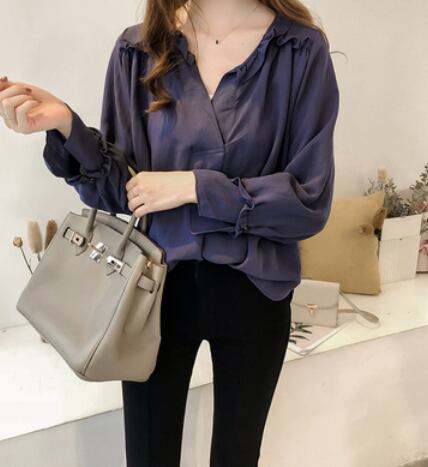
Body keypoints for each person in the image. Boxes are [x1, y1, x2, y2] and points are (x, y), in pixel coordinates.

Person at [0, 0, 340, 465]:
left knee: (238, 457)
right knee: (148, 456)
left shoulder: (299, 50)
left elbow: (308, 203)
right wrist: (64, 125)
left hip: (256, 292)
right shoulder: (138, 49)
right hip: (151, 293)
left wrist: (195, 187)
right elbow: (123, 192)